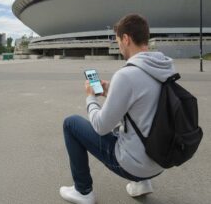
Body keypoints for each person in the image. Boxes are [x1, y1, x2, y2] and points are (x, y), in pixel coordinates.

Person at [60, 14, 176, 204]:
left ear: (126, 39)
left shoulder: (127, 75)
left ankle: (83, 191)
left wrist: (91, 95)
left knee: (71, 124)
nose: (119, 46)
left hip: (134, 164)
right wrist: (112, 90)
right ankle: (142, 184)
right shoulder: (165, 67)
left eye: (118, 41)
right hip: (160, 159)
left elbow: (100, 126)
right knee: (135, 124)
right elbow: (144, 100)